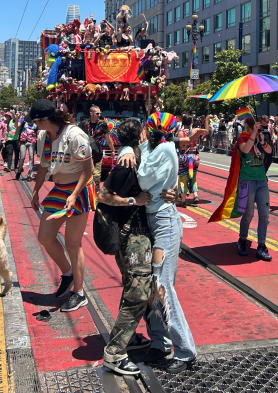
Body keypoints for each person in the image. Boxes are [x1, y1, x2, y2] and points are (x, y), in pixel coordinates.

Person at [117, 113, 196, 373]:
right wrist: (128, 148)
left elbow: (144, 180)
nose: (152, 135)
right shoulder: (152, 146)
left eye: (152, 131)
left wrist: (131, 152)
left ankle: (185, 351)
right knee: (153, 286)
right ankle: (159, 343)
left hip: (164, 222)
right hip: (152, 220)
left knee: (162, 285)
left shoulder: (164, 149)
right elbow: (137, 156)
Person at [27, 99, 95, 313]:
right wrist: (36, 191)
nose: (33, 125)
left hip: (80, 189)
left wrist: (74, 194)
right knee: (45, 236)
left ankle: (79, 293)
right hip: (59, 188)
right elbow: (44, 166)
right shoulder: (43, 136)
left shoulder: (74, 135)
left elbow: (88, 169)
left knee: (73, 243)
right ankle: (68, 273)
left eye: (36, 121)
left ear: (45, 120)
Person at [98, 119, 154, 376]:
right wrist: (135, 200)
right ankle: (115, 353)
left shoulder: (138, 156)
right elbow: (104, 196)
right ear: (140, 133)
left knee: (133, 286)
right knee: (139, 291)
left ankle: (126, 337)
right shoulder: (127, 162)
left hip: (138, 235)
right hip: (132, 237)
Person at [234, 116, 274, 260]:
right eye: (254, 128)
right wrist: (252, 135)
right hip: (247, 180)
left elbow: (269, 151)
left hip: (261, 181)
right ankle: (242, 240)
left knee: (264, 214)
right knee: (248, 214)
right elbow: (244, 150)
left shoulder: (260, 139)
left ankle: (261, 245)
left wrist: (262, 141)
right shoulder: (243, 139)